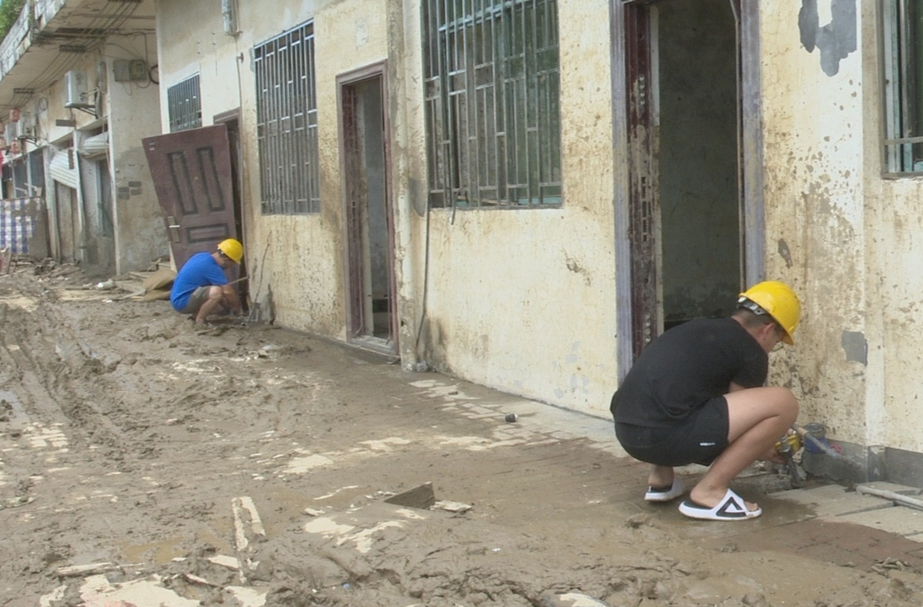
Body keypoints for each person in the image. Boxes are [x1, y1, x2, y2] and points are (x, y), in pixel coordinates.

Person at [610, 280, 801, 521]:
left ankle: (661, 481)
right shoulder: (750, 350)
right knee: (783, 403)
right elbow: (741, 421)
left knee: (676, 396)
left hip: (628, 434)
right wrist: (766, 447)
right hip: (665, 438)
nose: (774, 347)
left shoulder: (696, 330)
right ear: (767, 330)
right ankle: (710, 492)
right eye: (778, 340)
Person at [170, 238, 244, 326]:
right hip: (182, 302)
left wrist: (226, 307)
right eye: (232, 264)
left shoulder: (202, 256)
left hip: (179, 297)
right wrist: (237, 307)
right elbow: (227, 291)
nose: (230, 267)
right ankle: (199, 321)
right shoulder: (212, 267)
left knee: (215, 290)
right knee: (216, 291)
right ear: (227, 259)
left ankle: (195, 316)